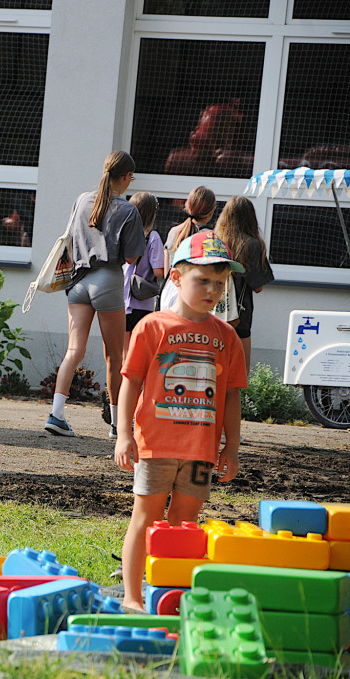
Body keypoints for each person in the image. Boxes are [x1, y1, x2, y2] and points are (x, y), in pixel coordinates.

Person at [113, 230, 247, 612]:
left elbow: (232, 396)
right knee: (145, 517)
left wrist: (232, 448)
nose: (211, 290)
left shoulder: (227, 337)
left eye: (219, 284)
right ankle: (134, 596)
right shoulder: (152, 326)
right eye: (201, 280)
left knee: (184, 525)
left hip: (201, 451)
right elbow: (131, 383)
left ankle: (168, 596)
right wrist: (124, 435)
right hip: (154, 446)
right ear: (176, 277)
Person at [44, 151, 145, 439]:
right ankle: (116, 424)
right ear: (126, 177)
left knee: (74, 351)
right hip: (108, 280)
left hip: (77, 281)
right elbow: (131, 256)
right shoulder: (128, 210)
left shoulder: (82, 199)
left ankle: (57, 414)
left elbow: (70, 237)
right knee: (115, 356)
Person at [213, 196, 274, 375]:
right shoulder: (252, 245)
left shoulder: (215, 241)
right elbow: (258, 286)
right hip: (239, 317)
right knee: (238, 373)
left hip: (212, 311)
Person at [122, 192, 164, 363]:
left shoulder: (124, 233)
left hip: (121, 299)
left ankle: (118, 389)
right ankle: (137, 389)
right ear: (152, 213)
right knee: (138, 355)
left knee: (123, 354)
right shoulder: (153, 237)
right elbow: (159, 272)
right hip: (142, 302)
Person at [164, 186, 216, 270]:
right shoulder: (212, 237)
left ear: (188, 206)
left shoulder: (174, 231)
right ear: (211, 211)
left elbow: (167, 270)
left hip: (173, 282)